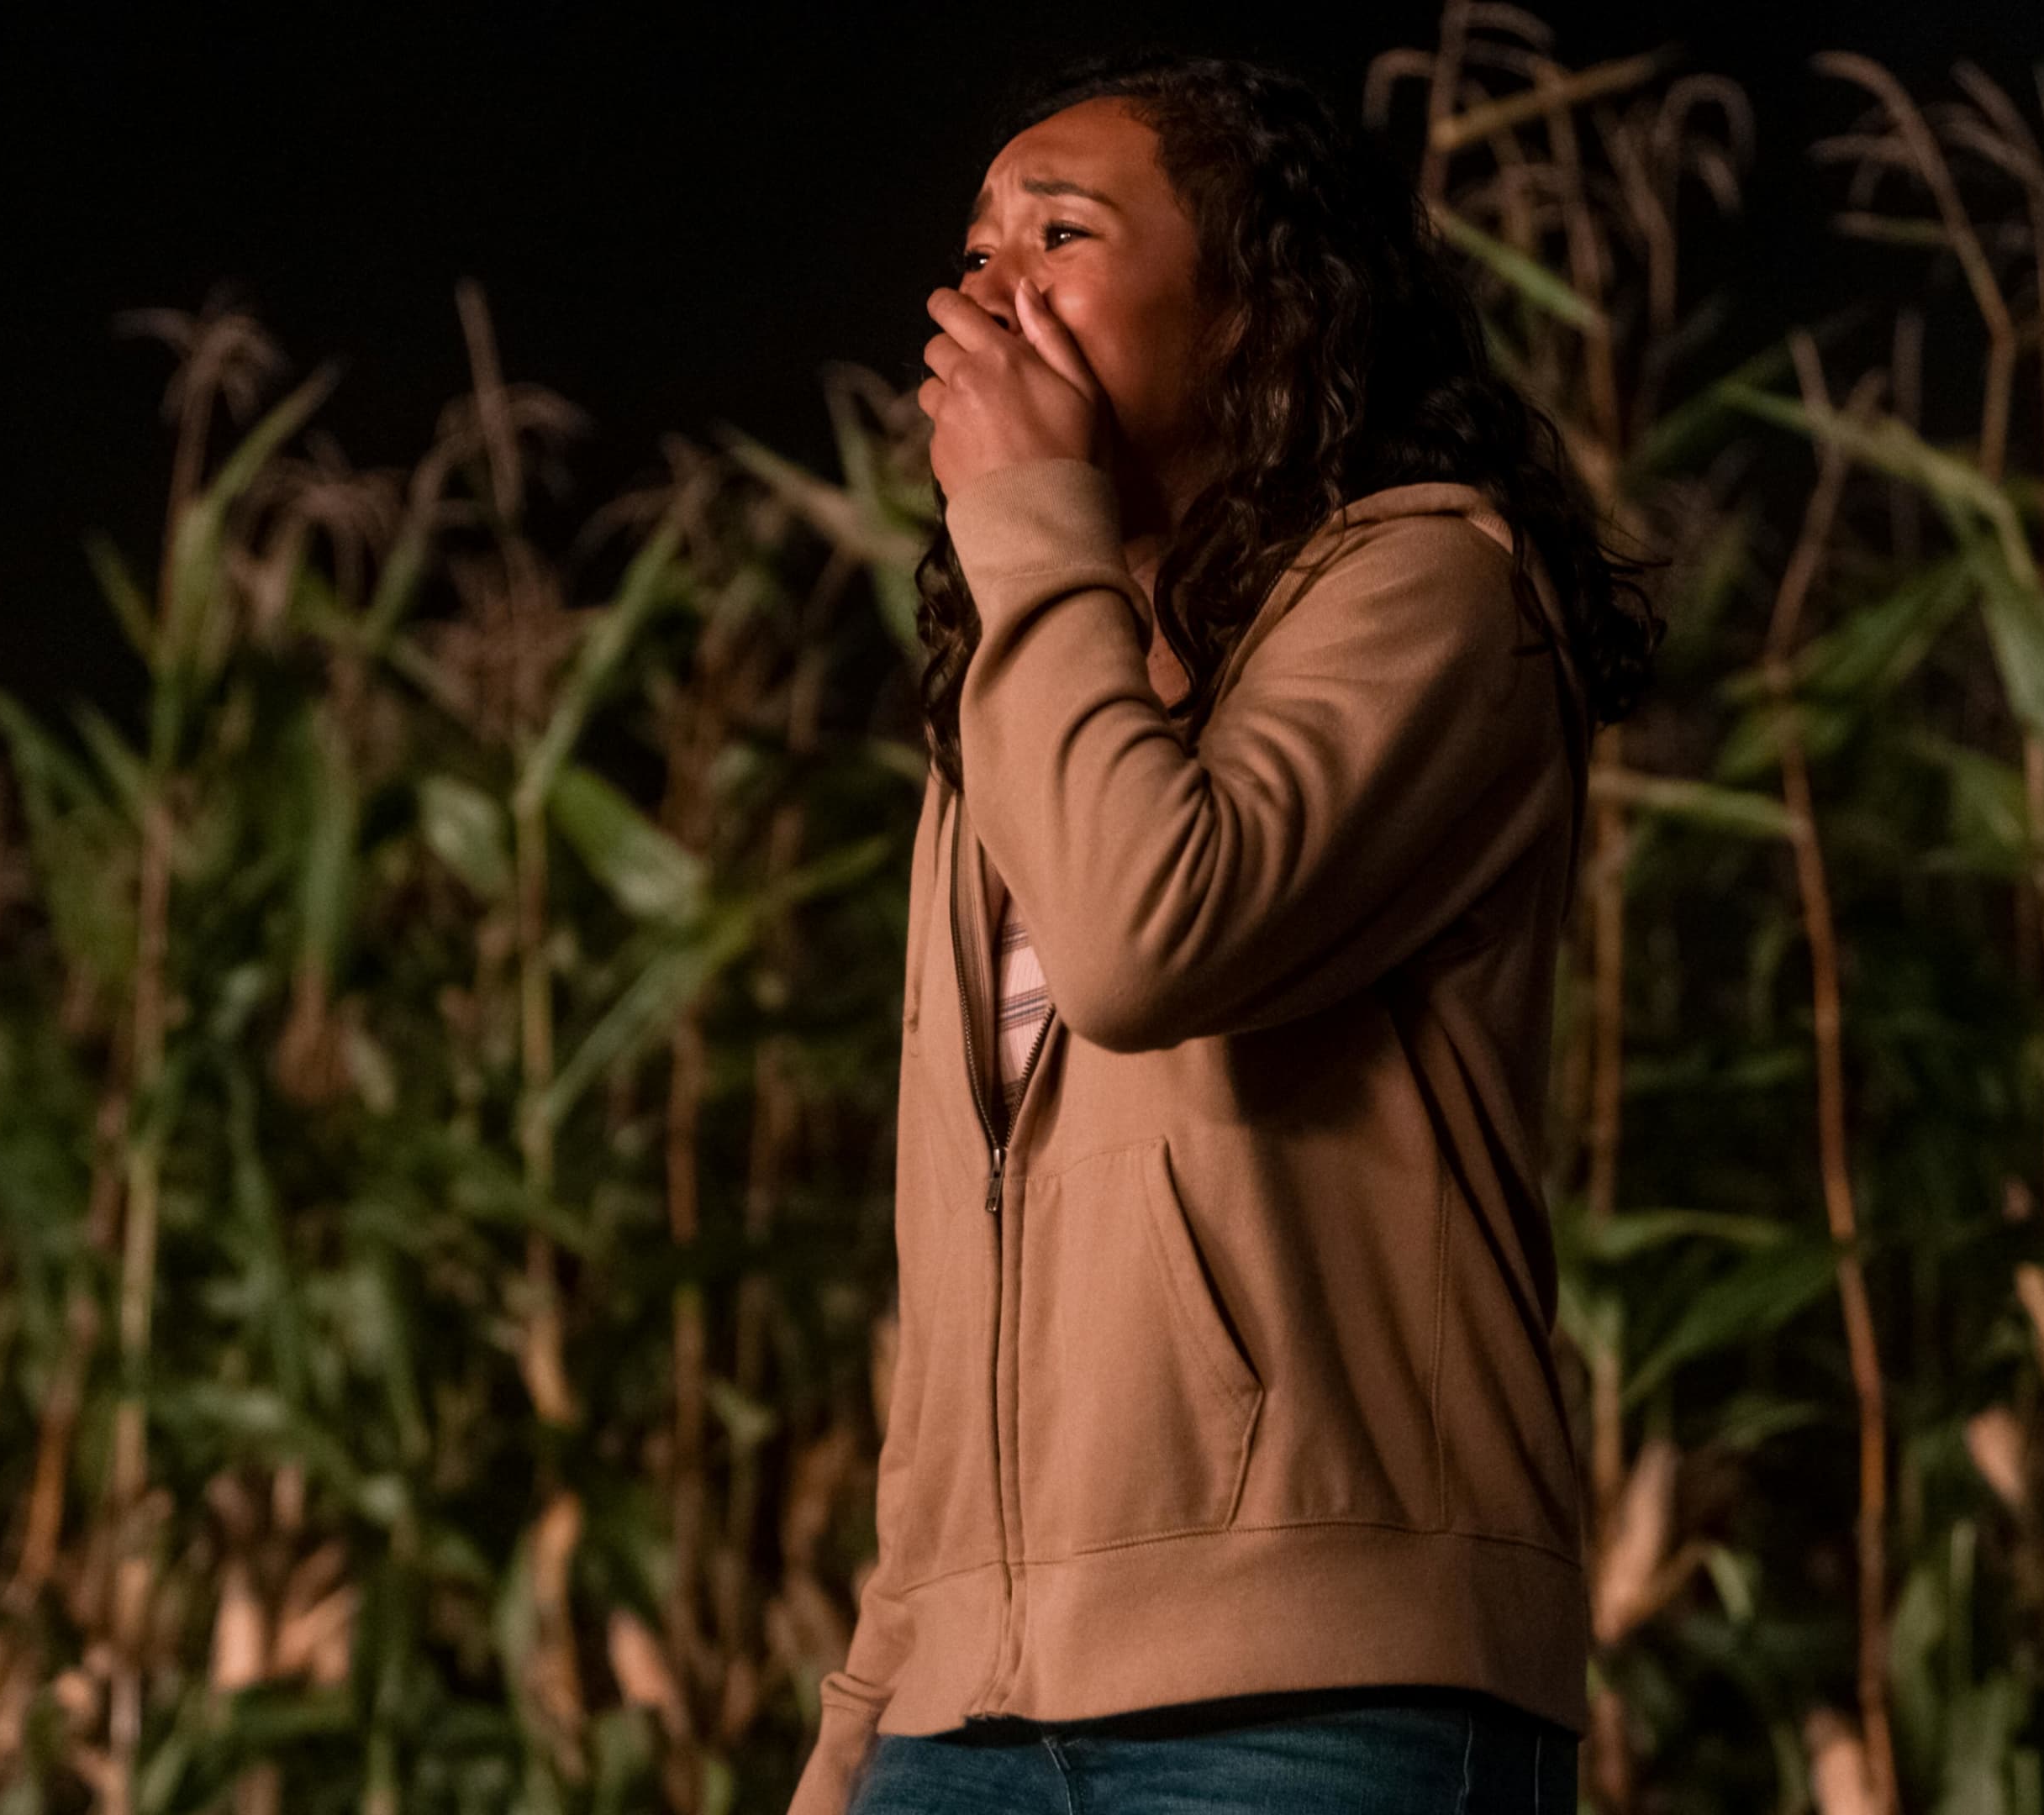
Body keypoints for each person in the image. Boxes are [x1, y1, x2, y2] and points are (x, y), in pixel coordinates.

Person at [788, 43, 1662, 1815]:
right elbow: (963, 1292)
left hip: (1319, 1702)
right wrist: (862, 1724)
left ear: (1259, 306)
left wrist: (1034, 528)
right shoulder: (1014, 711)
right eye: (974, 246)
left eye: (1061, 231)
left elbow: (1143, 941)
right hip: (961, 1731)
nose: (987, 286)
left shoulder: (1432, 589)